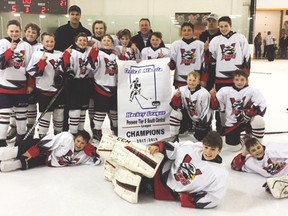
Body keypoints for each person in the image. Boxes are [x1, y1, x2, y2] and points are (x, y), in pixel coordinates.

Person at [97, 131, 228, 208]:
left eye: (212, 149)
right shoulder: (192, 147)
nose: (208, 152)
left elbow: (214, 198)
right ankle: (113, 151)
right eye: (206, 147)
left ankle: (114, 171)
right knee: (142, 157)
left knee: (135, 183)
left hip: (168, 190)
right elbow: (175, 148)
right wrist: (159, 147)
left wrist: (187, 199)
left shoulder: (220, 174)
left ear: (219, 150)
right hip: (164, 169)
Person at [205, 16, 251, 135]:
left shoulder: (240, 38)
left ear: (230, 25)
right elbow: (212, 60)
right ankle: (222, 127)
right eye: (221, 26)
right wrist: (206, 51)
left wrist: (245, 75)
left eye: (226, 26)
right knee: (222, 104)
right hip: (220, 78)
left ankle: (241, 126)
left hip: (238, 78)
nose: (223, 28)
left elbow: (247, 57)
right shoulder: (216, 40)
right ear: (218, 27)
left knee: (240, 102)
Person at [54, 5, 91, 132]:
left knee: (80, 106)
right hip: (66, 73)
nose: (75, 16)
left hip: (82, 76)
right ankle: (65, 129)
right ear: (69, 15)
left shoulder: (86, 31)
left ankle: (78, 130)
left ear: (80, 15)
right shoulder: (61, 30)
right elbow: (56, 50)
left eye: (77, 14)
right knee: (66, 104)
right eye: (72, 14)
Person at [210, 69, 266, 151]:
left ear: (246, 80)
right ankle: (245, 140)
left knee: (259, 120)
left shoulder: (252, 91)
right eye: (237, 79)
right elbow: (215, 107)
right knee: (233, 148)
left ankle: (256, 143)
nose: (239, 82)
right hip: (232, 122)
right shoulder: (225, 91)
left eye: (242, 79)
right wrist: (213, 97)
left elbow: (262, 105)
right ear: (233, 80)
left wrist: (249, 112)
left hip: (247, 121)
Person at [0, 130, 101, 172]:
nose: (79, 144)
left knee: (16, 165)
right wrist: (33, 151)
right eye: (78, 141)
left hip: (44, 159)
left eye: (82, 143)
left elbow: (96, 161)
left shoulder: (83, 155)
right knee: (14, 152)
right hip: (41, 146)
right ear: (75, 138)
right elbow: (50, 142)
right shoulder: (68, 138)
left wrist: (93, 151)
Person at [0, 20, 33, 147]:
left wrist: (30, 84)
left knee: (21, 115)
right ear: (7, 31)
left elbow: (30, 68)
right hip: (3, 86)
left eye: (17, 31)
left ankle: (21, 138)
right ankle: (1, 139)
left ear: (20, 31)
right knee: (3, 115)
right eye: (12, 31)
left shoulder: (27, 46)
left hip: (21, 87)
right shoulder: (2, 43)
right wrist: (10, 51)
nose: (14, 33)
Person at [7, 23, 42, 140]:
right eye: (29, 31)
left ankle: (30, 130)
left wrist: (31, 82)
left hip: (34, 80)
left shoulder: (40, 47)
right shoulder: (20, 44)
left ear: (38, 35)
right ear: (24, 32)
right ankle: (14, 127)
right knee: (15, 106)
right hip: (18, 79)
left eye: (34, 32)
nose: (30, 34)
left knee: (31, 106)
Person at [26, 32, 65, 138]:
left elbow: (65, 70)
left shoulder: (60, 54)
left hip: (58, 91)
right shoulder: (37, 54)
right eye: (47, 41)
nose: (49, 43)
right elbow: (31, 72)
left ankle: (58, 135)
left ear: (55, 42)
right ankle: (42, 137)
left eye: (51, 41)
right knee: (45, 115)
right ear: (42, 42)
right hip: (44, 90)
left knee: (59, 114)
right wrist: (41, 62)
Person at [169, 22, 205, 134]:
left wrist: (203, 78)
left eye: (189, 30)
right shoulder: (176, 44)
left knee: (193, 103)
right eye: (184, 30)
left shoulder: (200, 44)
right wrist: (166, 63)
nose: (186, 32)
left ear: (193, 31)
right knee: (182, 103)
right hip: (180, 79)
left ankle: (193, 124)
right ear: (181, 31)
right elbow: (172, 62)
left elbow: (204, 62)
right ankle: (183, 125)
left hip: (195, 80)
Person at [61, 32, 98, 135]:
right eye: (80, 40)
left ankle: (80, 131)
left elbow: (91, 66)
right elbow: (64, 67)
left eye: (84, 40)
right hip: (74, 83)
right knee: (75, 110)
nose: (82, 42)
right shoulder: (71, 52)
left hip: (85, 83)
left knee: (82, 110)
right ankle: (72, 133)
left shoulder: (89, 51)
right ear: (76, 42)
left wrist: (94, 49)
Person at [169, 71, 213, 142]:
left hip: (200, 120)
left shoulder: (204, 93)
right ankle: (175, 134)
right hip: (189, 116)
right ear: (186, 80)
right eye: (189, 80)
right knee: (175, 113)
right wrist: (176, 97)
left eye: (194, 80)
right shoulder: (181, 90)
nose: (191, 82)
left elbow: (207, 111)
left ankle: (204, 129)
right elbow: (175, 106)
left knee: (200, 139)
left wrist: (203, 124)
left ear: (198, 82)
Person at [92, 34, 118, 141]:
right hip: (101, 86)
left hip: (115, 87)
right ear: (101, 42)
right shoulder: (98, 54)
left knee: (114, 111)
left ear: (112, 43)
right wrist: (93, 53)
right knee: (100, 111)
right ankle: (97, 131)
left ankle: (116, 129)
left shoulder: (115, 56)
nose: (106, 42)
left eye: (109, 40)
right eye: (104, 40)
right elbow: (92, 65)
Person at [199, 13, 221, 91]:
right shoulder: (203, 35)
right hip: (207, 69)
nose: (211, 23)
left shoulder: (221, 34)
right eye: (209, 21)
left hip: (219, 67)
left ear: (217, 23)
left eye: (213, 21)